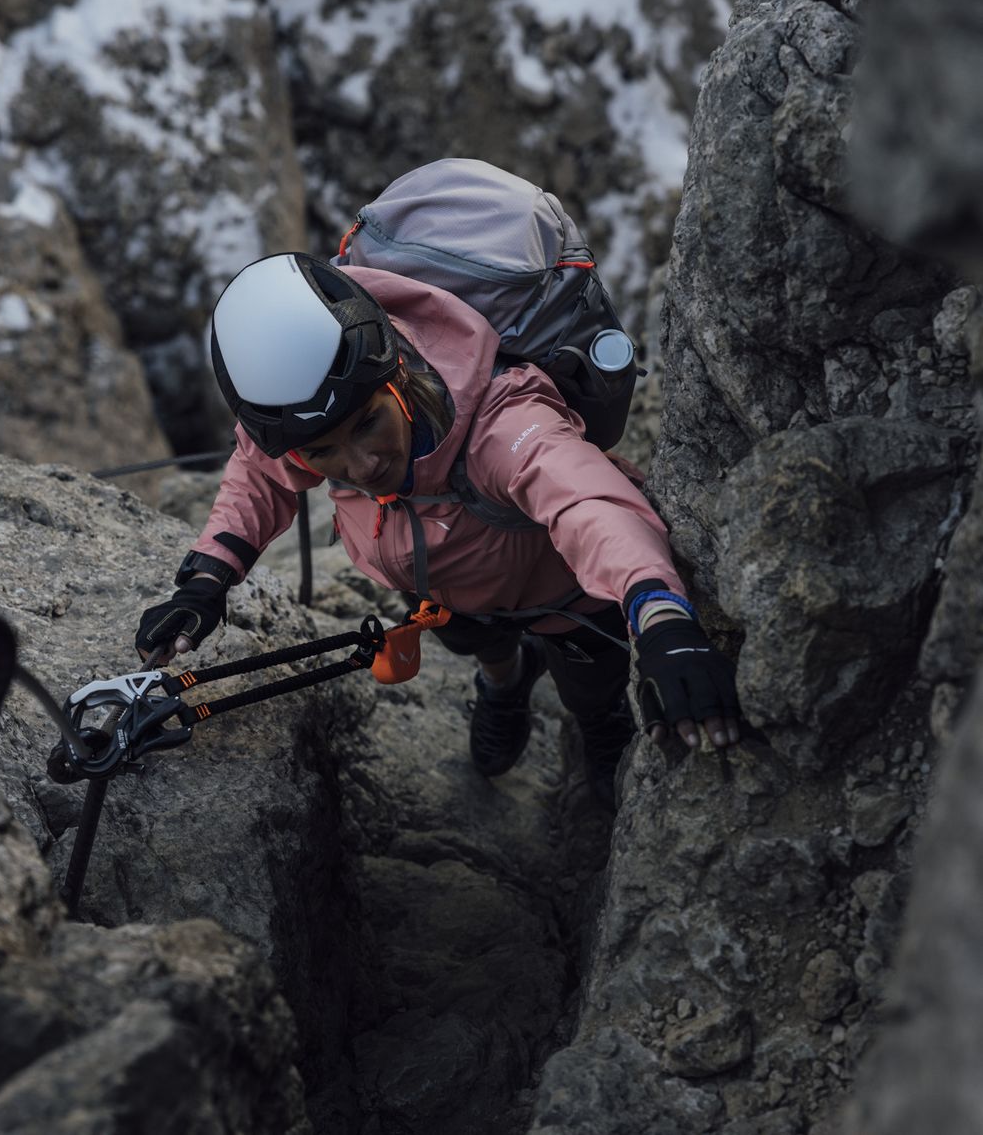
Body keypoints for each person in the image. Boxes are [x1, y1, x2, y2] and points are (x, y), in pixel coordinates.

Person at [135, 253, 740, 807]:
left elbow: (588, 502)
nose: (362, 465)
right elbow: (259, 475)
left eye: (369, 423)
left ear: (396, 372)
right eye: (325, 454)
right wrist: (206, 579)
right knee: (479, 643)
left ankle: (595, 729)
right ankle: (505, 684)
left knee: (590, 690)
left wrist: (661, 617)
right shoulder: (306, 414)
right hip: (439, 586)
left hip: (567, 600)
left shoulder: (501, 425)